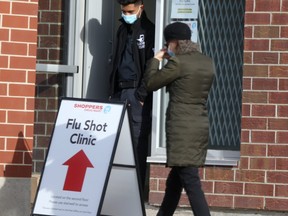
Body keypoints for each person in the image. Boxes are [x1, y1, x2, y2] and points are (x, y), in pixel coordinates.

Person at [144, 22, 214, 216]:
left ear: (173, 42)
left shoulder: (178, 63)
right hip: (199, 124)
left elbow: (151, 83)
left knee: (191, 181)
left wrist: (157, 59)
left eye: (168, 44)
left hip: (181, 128)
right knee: (175, 181)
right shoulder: (206, 61)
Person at [109, 0, 155, 192]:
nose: (126, 14)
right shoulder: (122, 29)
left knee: (137, 142)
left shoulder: (147, 30)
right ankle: (118, 188)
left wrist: (142, 95)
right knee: (117, 140)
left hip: (136, 92)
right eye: (123, 11)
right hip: (120, 92)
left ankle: (135, 190)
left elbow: (151, 66)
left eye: (130, 11)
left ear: (140, 7)